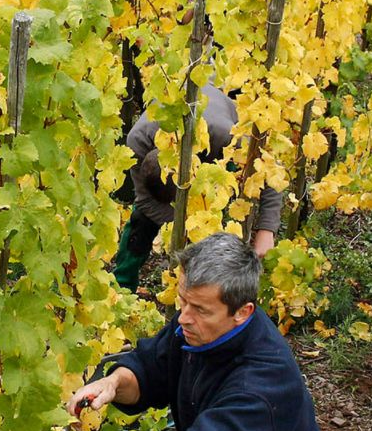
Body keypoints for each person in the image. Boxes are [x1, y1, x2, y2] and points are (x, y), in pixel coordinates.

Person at [28, 233, 331, 431]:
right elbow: (152, 368)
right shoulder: (199, 325)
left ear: (242, 312)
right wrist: (113, 383)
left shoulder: (261, 387)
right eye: (183, 300)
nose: (184, 316)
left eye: (199, 309)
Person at [113, 85, 283, 291]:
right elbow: (146, 201)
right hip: (183, 151)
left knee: (220, 217)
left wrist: (266, 229)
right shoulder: (137, 144)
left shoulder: (224, 136)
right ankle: (122, 287)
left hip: (216, 151)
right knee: (141, 221)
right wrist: (183, 228)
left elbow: (270, 170)